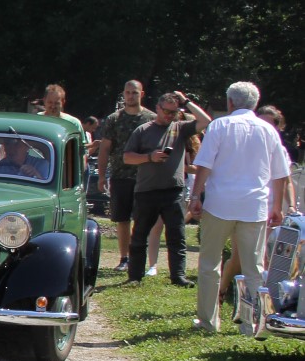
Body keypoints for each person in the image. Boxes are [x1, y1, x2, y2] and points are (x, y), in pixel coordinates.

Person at [188, 81, 292, 333]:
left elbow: (205, 165)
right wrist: (276, 206)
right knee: (254, 267)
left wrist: (195, 196)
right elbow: (281, 173)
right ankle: (251, 322)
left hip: (219, 203)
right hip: (254, 205)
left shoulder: (219, 126)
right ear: (255, 104)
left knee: (210, 264)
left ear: (230, 102)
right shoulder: (268, 130)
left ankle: (209, 321)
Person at [122, 92, 205, 285]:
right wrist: (150, 157)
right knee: (140, 235)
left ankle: (178, 276)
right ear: (157, 108)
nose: (169, 115)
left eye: (173, 112)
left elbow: (205, 121)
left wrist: (186, 102)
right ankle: (135, 276)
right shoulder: (143, 130)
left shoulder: (180, 128)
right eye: (166, 111)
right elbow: (127, 157)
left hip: (173, 191)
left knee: (177, 235)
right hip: (147, 191)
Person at [95, 80, 153, 271]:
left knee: (142, 219)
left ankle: (140, 258)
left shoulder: (150, 119)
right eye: (128, 93)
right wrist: (102, 176)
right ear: (123, 94)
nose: (131, 96)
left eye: (134, 93)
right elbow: (104, 149)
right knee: (122, 219)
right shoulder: (114, 119)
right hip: (120, 175)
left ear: (141, 94)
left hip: (144, 177)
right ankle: (124, 258)